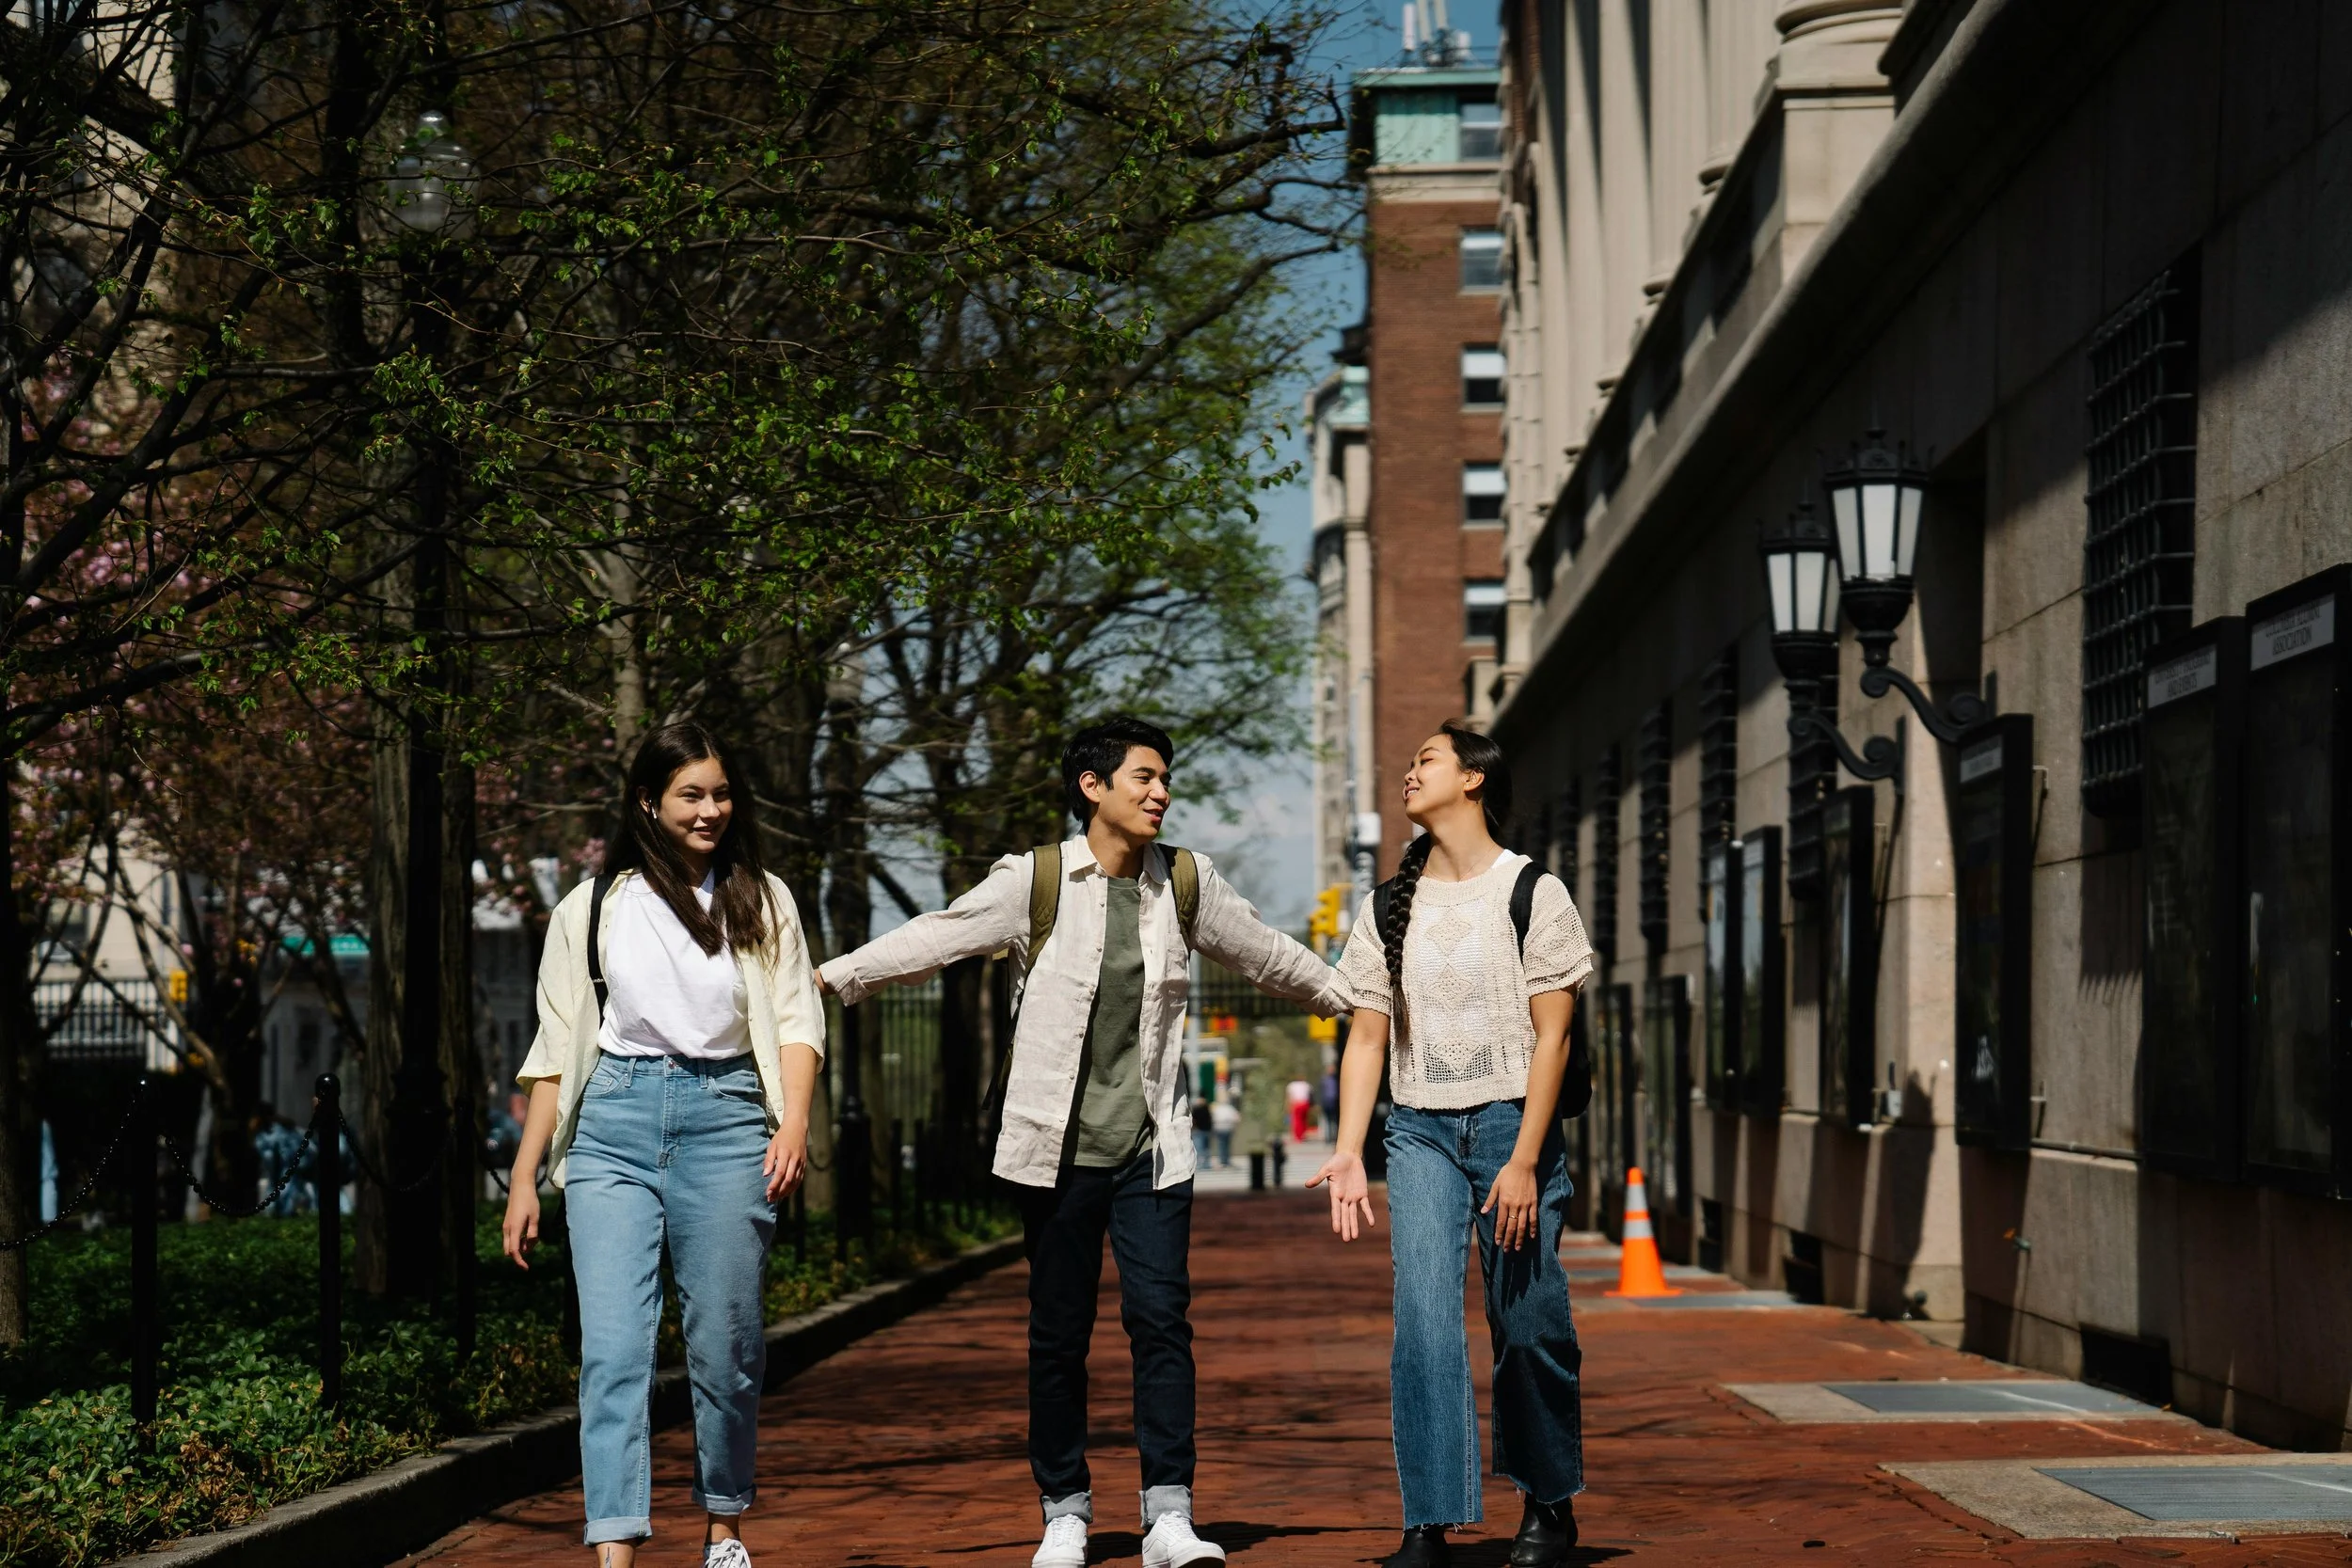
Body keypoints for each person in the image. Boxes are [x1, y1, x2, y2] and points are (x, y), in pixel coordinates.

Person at [818, 716, 1347, 1568]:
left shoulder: (1185, 880)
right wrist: (831, 978)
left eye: (1165, 778)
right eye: (1142, 777)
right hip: (1054, 1150)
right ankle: (1064, 1508)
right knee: (1058, 1333)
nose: (1160, 791)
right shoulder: (1037, 879)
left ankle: (1168, 1513)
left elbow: (1267, 954)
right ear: (1091, 788)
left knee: (1161, 1321)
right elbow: (936, 936)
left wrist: (1352, 995)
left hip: (1153, 1147)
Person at [501, 723, 826, 1568]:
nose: (712, 808)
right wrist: (525, 1174)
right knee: (613, 1347)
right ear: (649, 800)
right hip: (613, 1122)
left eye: (721, 793)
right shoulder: (592, 906)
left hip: (728, 1120)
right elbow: (556, 1045)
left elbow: (796, 1019)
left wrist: (792, 1120)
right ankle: (614, 1545)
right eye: (692, 793)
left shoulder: (762, 897)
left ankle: (724, 1525)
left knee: (726, 1339)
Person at [1310, 722, 1593, 1568]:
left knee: (1529, 1320)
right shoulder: (1387, 906)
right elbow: (1366, 1040)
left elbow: (1555, 1039)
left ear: (1473, 779)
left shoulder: (1533, 891)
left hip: (1513, 1125)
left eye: (1426, 759)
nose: (1410, 770)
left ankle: (1547, 1499)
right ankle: (1428, 1518)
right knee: (1425, 1322)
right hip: (1420, 1129)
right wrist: (1352, 1147)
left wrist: (1522, 1161)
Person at [1209, 1095, 1240, 1168]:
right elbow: (1236, 1118)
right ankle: (1225, 1160)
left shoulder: (1218, 1108)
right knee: (1225, 1145)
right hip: (1226, 1128)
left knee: (1222, 1145)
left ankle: (1224, 1160)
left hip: (1221, 1128)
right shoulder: (1229, 1108)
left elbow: (1213, 1118)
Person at [1286, 1078, 1312, 1145]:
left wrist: (1289, 1105)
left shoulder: (1291, 1085)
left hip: (1297, 1104)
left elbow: (1289, 1096)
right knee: (1303, 1120)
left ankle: (1298, 1137)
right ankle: (1302, 1135)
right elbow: (1310, 1095)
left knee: (1297, 1121)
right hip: (1305, 1104)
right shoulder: (1306, 1084)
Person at [1191, 1096, 1214, 1168]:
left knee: (1204, 1148)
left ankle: (1205, 1163)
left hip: (1204, 1130)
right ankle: (1201, 1163)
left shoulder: (1206, 1109)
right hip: (1200, 1130)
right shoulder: (1200, 1109)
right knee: (1200, 1148)